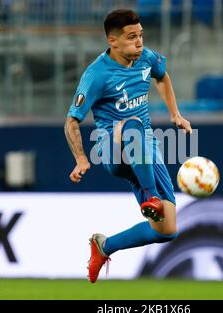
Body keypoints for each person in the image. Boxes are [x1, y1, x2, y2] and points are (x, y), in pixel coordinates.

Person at [64, 9, 192, 283]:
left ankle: (104, 246)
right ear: (113, 41)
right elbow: (71, 121)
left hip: (146, 151)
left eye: (141, 35)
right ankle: (150, 197)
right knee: (131, 125)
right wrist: (81, 158)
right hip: (114, 149)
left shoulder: (145, 58)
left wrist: (175, 114)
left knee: (167, 229)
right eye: (132, 37)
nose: (139, 42)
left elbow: (163, 76)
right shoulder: (97, 75)